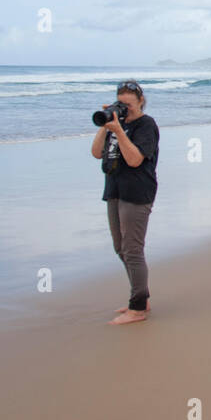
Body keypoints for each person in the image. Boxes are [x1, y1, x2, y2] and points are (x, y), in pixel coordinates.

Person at [91, 80, 160, 324]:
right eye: (122, 104)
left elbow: (134, 160)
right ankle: (141, 297)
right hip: (115, 190)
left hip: (137, 192)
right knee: (120, 247)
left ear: (141, 101)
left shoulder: (146, 125)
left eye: (129, 105)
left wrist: (119, 131)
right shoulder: (116, 125)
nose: (126, 109)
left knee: (133, 249)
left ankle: (138, 307)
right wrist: (106, 124)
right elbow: (97, 152)